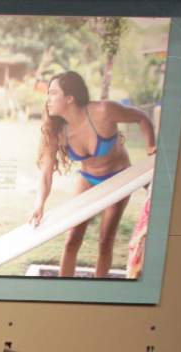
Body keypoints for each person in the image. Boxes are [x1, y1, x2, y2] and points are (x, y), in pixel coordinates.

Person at [29, 71, 157, 278]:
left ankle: (98, 289)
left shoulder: (103, 111)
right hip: (88, 178)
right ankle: (64, 291)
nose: (48, 99)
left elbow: (141, 118)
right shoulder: (56, 130)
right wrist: (39, 204)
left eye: (53, 93)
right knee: (72, 239)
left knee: (105, 241)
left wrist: (151, 148)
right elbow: (45, 174)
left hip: (118, 178)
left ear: (70, 98)